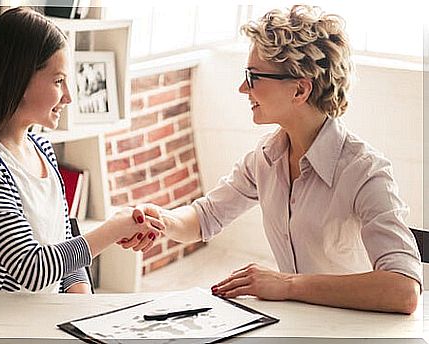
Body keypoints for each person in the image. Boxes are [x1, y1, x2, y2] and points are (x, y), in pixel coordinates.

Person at [120, 5, 422, 313]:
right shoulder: (266, 158)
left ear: (300, 90)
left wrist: (287, 285)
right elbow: (204, 218)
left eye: (253, 77)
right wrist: (159, 219)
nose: (242, 88)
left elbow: (404, 290)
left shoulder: (365, 172)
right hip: (297, 324)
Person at [0, 7, 161, 293]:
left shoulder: (42, 148)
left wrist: (83, 308)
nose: (69, 97)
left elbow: (64, 244)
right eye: (58, 81)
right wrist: (112, 230)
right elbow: (32, 269)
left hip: (38, 316)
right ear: (19, 79)